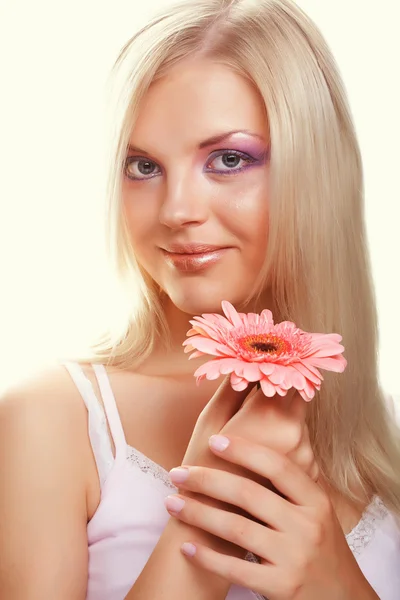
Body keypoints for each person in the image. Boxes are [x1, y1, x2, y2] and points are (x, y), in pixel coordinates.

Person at [0, 0, 399, 598]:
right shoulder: (51, 420)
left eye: (228, 159)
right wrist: (210, 509)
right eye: (143, 166)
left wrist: (336, 584)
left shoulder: (383, 435)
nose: (176, 211)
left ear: (316, 173)